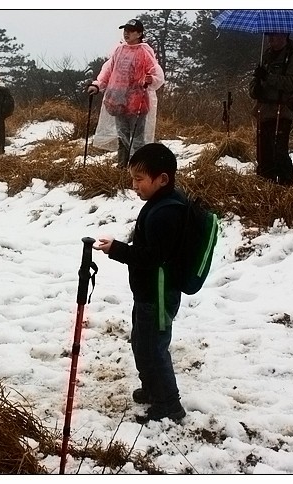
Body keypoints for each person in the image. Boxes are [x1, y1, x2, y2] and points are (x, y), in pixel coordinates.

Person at [94, 143, 187, 424]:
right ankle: (152, 389)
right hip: (148, 293)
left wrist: (117, 250)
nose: (134, 185)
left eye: (139, 179)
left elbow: (151, 257)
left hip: (158, 294)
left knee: (153, 349)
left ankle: (169, 404)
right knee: (142, 343)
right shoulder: (161, 204)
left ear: (162, 179)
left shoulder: (165, 213)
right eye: (132, 178)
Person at [88, 19, 165, 167]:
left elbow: (156, 73)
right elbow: (108, 70)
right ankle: (122, 168)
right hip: (118, 101)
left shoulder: (144, 51)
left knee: (137, 139)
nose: (126, 33)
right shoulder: (119, 50)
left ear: (139, 34)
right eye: (125, 30)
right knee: (122, 138)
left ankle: (137, 169)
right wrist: (97, 85)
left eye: (130, 30)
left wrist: (151, 79)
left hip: (137, 103)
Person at [248, 32, 293, 186]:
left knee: (279, 151)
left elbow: (291, 83)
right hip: (263, 111)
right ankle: (265, 184)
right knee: (263, 152)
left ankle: (286, 185)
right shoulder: (265, 56)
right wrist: (256, 87)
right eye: (269, 36)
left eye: (274, 36)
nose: (270, 39)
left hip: (282, 110)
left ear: (284, 36)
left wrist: (268, 77)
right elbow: (253, 85)